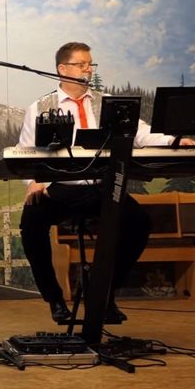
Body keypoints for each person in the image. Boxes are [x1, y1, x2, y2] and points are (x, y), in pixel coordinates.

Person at [17, 41, 195, 322]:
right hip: (59, 190)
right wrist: (33, 181)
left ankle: (104, 293)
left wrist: (175, 140)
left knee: (138, 223)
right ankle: (55, 301)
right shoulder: (40, 107)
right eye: (81, 64)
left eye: (90, 64)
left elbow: (142, 134)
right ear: (62, 69)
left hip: (101, 188)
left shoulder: (108, 102)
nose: (88, 69)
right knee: (30, 225)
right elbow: (26, 152)